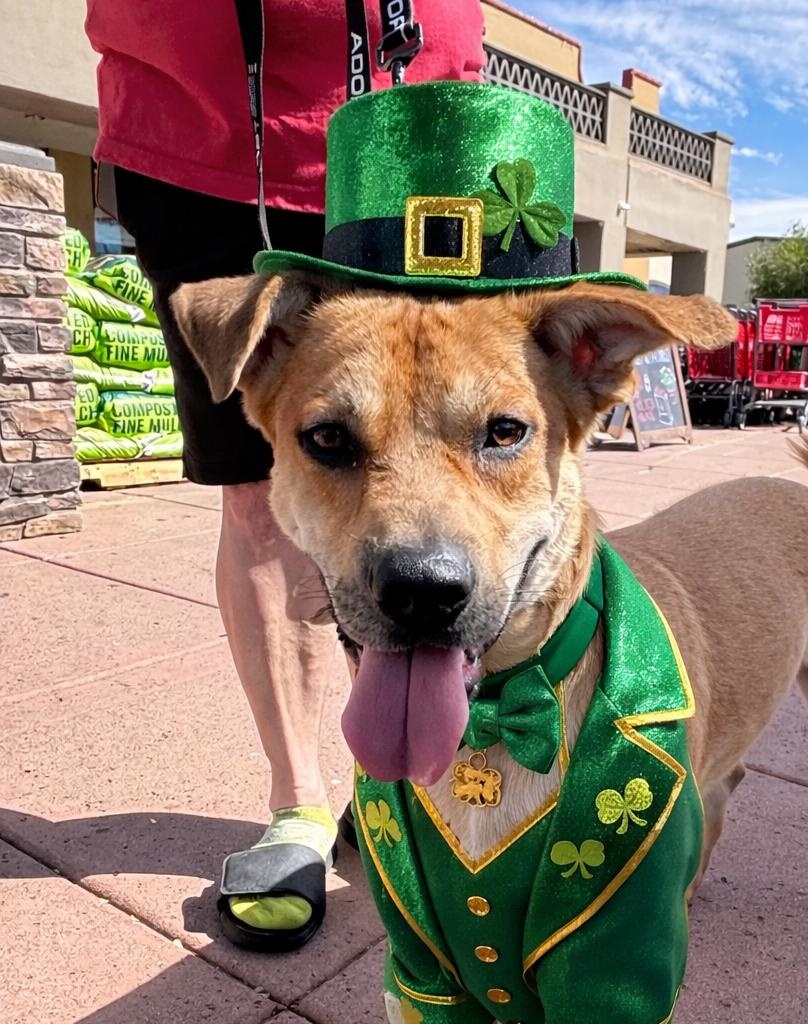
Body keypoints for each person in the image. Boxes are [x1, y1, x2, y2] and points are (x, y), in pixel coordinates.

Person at [84, 0, 486, 952]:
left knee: (446, 468)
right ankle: (301, 802)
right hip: (207, 114)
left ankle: (414, 793)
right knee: (260, 499)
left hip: (417, 106)